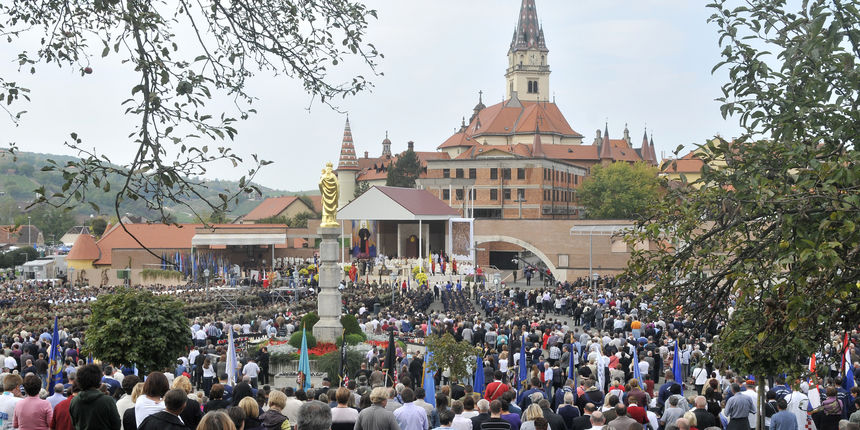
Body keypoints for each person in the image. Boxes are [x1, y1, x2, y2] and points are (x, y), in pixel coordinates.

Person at [69, 364, 121, 430]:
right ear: (98, 379)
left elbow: (74, 424)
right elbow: (116, 424)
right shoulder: (108, 401)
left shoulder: (74, 401)